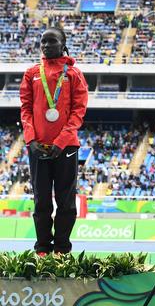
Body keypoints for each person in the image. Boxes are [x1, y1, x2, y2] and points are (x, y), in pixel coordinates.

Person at [20, 27, 88, 255]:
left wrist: (62, 140)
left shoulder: (74, 74)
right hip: (37, 147)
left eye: (52, 41)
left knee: (66, 202)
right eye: (43, 42)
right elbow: (26, 110)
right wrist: (31, 140)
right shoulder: (31, 73)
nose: (47, 46)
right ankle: (42, 249)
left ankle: (61, 249)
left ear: (63, 45)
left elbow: (78, 111)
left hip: (66, 148)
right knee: (41, 202)